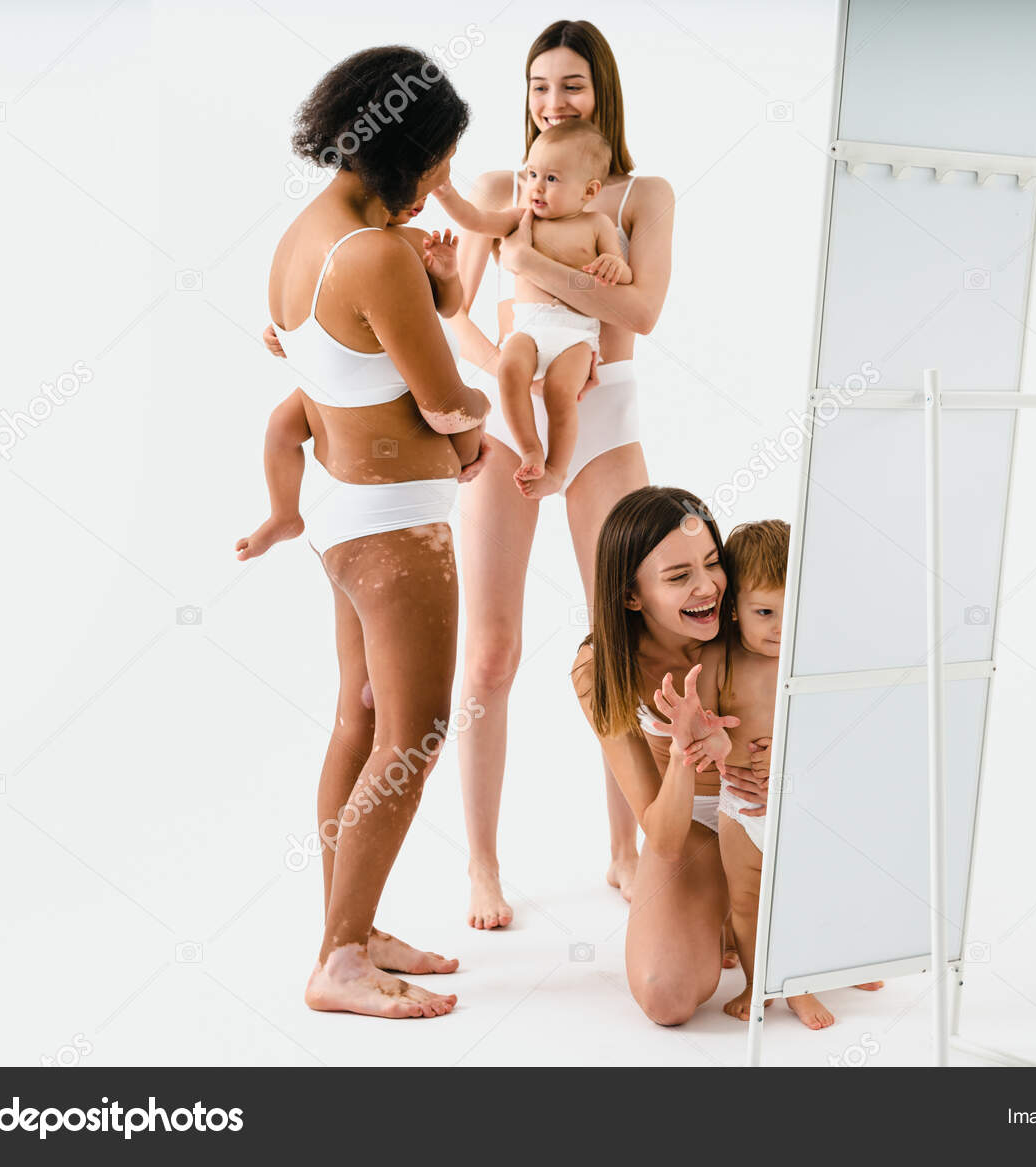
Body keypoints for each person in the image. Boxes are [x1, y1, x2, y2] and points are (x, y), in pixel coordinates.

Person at [262, 45, 492, 1018]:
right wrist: (478, 413)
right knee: (417, 731)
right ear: (411, 150)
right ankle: (340, 959)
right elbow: (444, 401)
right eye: (442, 159)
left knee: (360, 719)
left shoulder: (307, 237)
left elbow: (350, 363)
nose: (445, 181)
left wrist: (437, 294)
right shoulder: (378, 254)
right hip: (398, 534)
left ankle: (348, 929)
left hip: (342, 516)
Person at [448, 20, 676, 930]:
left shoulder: (638, 195)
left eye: (572, 85)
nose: (553, 102)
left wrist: (536, 265)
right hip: (511, 414)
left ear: (603, 90)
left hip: (602, 406)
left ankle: (626, 852)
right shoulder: (503, 189)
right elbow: (453, 316)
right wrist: (512, 366)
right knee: (492, 649)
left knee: (620, 639)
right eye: (540, 85)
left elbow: (643, 311)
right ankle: (482, 866)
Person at [570, 487, 770, 1024]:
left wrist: (797, 768)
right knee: (667, 997)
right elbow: (661, 835)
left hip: (774, 809)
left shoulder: (752, 621)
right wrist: (684, 752)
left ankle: (742, 911)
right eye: (679, 576)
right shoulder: (601, 667)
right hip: (691, 826)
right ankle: (722, 904)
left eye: (712, 563)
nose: (708, 587)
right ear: (632, 596)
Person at [683, 520, 884, 1028]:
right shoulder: (717, 661)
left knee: (822, 894)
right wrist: (718, 743)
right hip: (742, 806)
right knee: (747, 900)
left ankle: (820, 971)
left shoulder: (818, 659)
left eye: (792, 609)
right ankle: (762, 981)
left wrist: (800, 755)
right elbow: (704, 732)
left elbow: (854, 732)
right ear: (734, 609)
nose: (780, 626)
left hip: (810, 805)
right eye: (764, 612)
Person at [237, 208, 462, 560]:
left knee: (458, 417)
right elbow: (313, 313)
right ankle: (283, 514)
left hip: (398, 377)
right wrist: (280, 335)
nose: (419, 202)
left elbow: (448, 308)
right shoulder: (333, 243)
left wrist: (447, 277)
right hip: (336, 382)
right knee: (280, 425)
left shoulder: (416, 242)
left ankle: (466, 455)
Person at [434, 118, 630, 500]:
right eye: (533, 173)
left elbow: (620, 273)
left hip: (575, 336)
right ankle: (531, 449)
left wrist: (615, 266)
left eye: (552, 179)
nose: (536, 186)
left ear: (588, 190)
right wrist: (447, 195)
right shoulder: (521, 216)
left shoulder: (597, 224)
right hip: (527, 329)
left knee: (560, 391)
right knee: (509, 368)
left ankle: (556, 469)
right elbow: (476, 220)